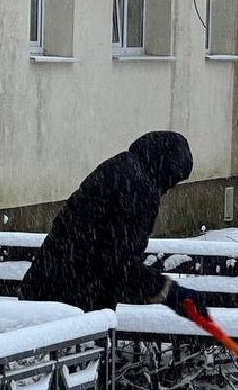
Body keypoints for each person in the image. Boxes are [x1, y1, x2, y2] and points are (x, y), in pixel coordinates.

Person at [21, 131, 210, 319]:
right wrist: (170, 293)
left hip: (49, 288)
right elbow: (120, 266)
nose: (168, 190)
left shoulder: (122, 168)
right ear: (166, 171)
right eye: (173, 181)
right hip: (72, 302)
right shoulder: (139, 190)